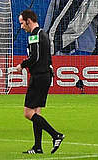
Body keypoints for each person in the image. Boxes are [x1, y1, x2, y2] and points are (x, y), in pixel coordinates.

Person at [9, 9, 64, 154]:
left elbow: (35, 57)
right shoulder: (44, 34)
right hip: (44, 76)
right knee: (36, 113)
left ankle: (56, 135)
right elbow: (47, 57)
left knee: (28, 113)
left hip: (39, 77)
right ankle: (38, 147)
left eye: (22, 23)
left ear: (28, 20)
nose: (21, 27)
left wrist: (21, 65)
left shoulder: (35, 35)